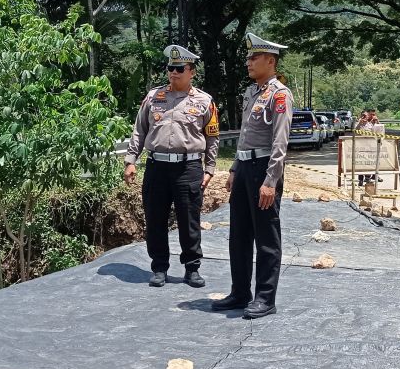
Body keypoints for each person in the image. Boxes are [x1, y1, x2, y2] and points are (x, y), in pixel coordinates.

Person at [123, 45, 220, 288]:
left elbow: (212, 137)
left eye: (179, 68)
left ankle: (192, 268)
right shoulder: (153, 97)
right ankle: (159, 267)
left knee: (189, 220)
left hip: (189, 168)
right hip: (157, 167)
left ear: (191, 72)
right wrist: (131, 160)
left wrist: (209, 169)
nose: (173, 73)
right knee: (155, 219)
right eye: (170, 68)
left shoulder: (204, 101)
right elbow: (140, 130)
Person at [212, 33, 293, 319]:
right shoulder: (251, 93)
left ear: (270, 61)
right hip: (245, 168)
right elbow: (245, 136)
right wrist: (234, 168)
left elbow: (279, 142)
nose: (248, 62)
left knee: (266, 236)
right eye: (248, 57)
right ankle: (240, 292)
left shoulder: (279, 94)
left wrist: (271, 180)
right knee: (239, 235)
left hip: (263, 169)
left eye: (254, 57)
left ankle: (265, 298)